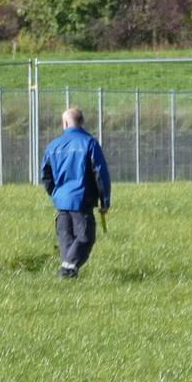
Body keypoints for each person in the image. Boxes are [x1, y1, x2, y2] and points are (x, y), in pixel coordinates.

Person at [38, 106, 111, 279]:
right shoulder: (89, 143)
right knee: (86, 237)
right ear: (82, 122)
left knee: (67, 238)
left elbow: (45, 175)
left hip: (61, 201)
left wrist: (56, 193)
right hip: (81, 199)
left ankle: (68, 274)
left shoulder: (53, 146)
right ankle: (67, 270)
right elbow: (100, 174)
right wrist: (105, 200)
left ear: (65, 123)